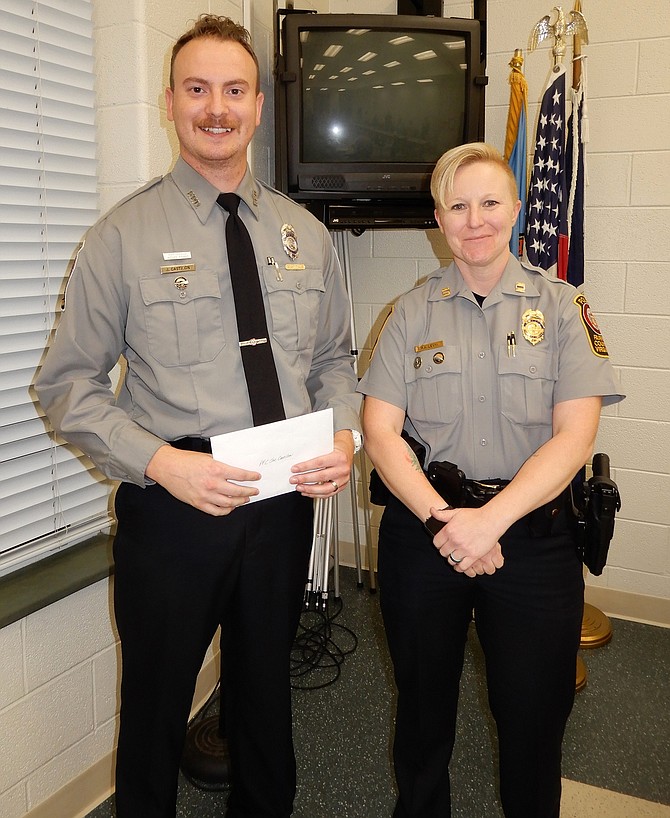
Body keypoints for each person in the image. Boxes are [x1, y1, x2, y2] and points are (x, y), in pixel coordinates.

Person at [36, 14, 361, 818]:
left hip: (279, 506)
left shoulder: (305, 235)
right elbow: (67, 385)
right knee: (154, 712)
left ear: (255, 107)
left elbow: (334, 362)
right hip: (172, 508)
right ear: (170, 103)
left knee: (264, 705)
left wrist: (343, 434)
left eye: (235, 90)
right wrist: (161, 462)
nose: (217, 107)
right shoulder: (120, 238)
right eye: (197, 89)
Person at [357, 142, 623, 818]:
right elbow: (381, 434)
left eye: (489, 203)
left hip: (532, 538)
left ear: (514, 211)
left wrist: (489, 521)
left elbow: (576, 436)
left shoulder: (562, 309)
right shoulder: (406, 313)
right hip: (427, 534)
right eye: (457, 205)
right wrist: (449, 523)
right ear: (438, 221)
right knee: (421, 715)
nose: (474, 220)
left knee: (534, 721)